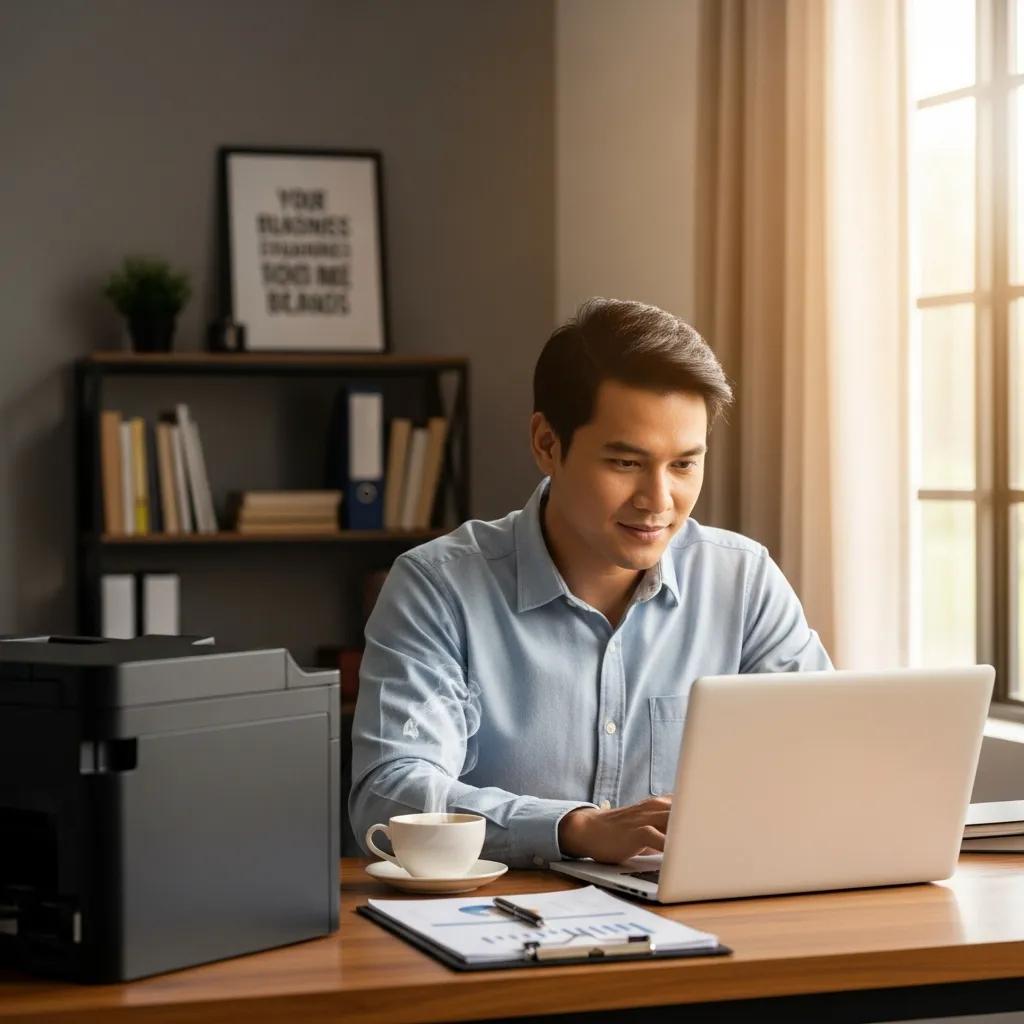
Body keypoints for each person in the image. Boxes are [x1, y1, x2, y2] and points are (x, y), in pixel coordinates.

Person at [349, 298, 832, 869]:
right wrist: (572, 829)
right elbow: (391, 794)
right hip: (499, 912)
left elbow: (823, 760)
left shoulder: (744, 582)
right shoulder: (438, 588)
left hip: (696, 906)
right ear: (546, 444)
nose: (658, 501)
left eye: (683, 464)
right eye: (626, 463)